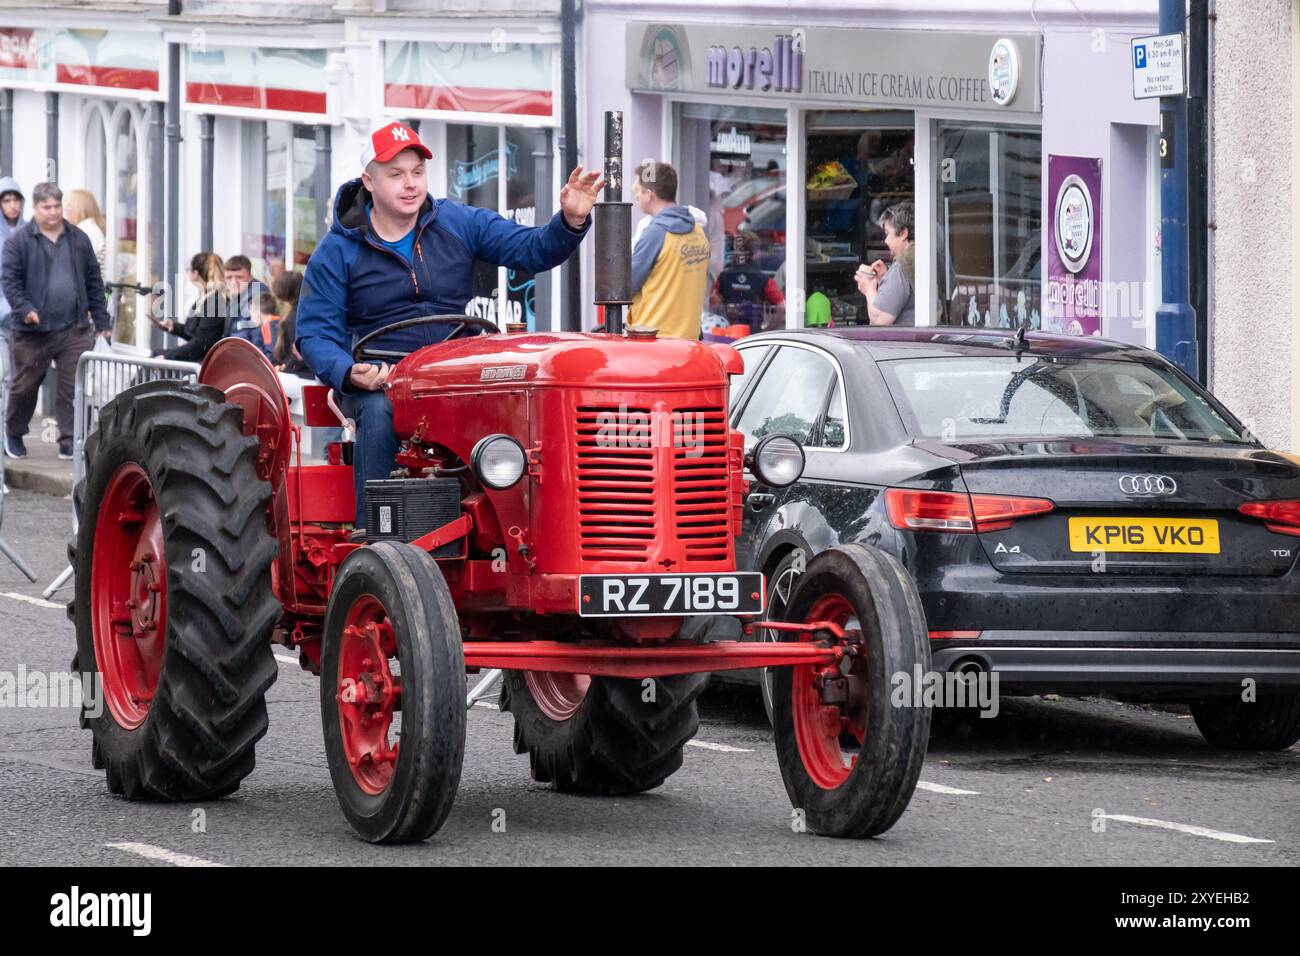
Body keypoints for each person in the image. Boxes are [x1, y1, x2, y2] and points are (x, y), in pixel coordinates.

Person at [296, 120, 602, 532]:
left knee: (524, 400)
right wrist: (349, 372)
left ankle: (541, 526)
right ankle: (377, 536)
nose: (410, 184)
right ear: (368, 181)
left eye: (417, 173)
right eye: (396, 174)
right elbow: (315, 334)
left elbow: (532, 249)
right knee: (379, 410)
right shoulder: (338, 251)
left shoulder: (459, 222)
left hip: (456, 368)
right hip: (385, 376)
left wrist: (569, 220)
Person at [2, 182, 110, 460]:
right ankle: (14, 431)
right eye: (46, 207)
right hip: (33, 330)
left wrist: (102, 319)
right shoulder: (19, 241)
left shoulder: (78, 238)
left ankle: (68, 441)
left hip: (73, 327)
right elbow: (10, 281)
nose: (52, 212)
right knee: (26, 386)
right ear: (35, 208)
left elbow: (93, 281)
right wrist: (25, 308)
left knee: (72, 387)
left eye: (57, 206)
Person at [628, 161, 711, 340]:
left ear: (649, 195)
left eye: (637, 191)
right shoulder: (698, 232)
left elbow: (626, 286)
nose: (636, 198)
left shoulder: (655, 233)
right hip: (690, 340)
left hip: (655, 340)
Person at [155, 252, 230, 363]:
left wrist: (168, 356)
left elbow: (201, 343)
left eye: (188, 270)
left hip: (204, 364)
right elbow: (197, 334)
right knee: (156, 354)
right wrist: (174, 327)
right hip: (198, 358)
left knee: (156, 357)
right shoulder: (206, 298)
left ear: (195, 273)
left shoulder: (215, 302)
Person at [855, 200, 915, 326]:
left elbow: (879, 320)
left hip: (904, 344)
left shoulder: (901, 265)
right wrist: (885, 278)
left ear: (903, 233)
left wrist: (868, 288)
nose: (885, 240)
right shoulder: (923, 256)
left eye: (887, 233)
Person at [713, 234, 784, 332]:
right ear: (753, 253)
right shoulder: (764, 280)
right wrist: (768, 329)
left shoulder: (722, 277)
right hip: (752, 336)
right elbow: (782, 307)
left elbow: (712, 301)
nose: (760, 253)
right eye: (758, 250)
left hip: (726, 332)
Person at [0, 177, 25, 442]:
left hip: (22, 318)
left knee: (19, 379)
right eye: (6, 200)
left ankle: (10, 429)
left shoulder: (29, 231)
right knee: (5, 375)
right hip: (1, 319)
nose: (12, 205)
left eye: (15, 199)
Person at [223, 254, 270, 349]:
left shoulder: (259, 297)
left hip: (248, 357)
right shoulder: (236, 296)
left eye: (239, 277)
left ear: (250, 278)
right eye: (229, 277)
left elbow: (257, 339)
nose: (233, 282)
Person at [271, 270, 310, 376]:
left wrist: (285, 367)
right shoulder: (304, 309)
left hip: (299, 374)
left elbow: (297, 351)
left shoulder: (293, 317)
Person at [64, 189, 106, 275]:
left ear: (79, 209)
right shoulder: (88, 229)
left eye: (69, 205)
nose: (65, 209)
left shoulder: (88, 231)